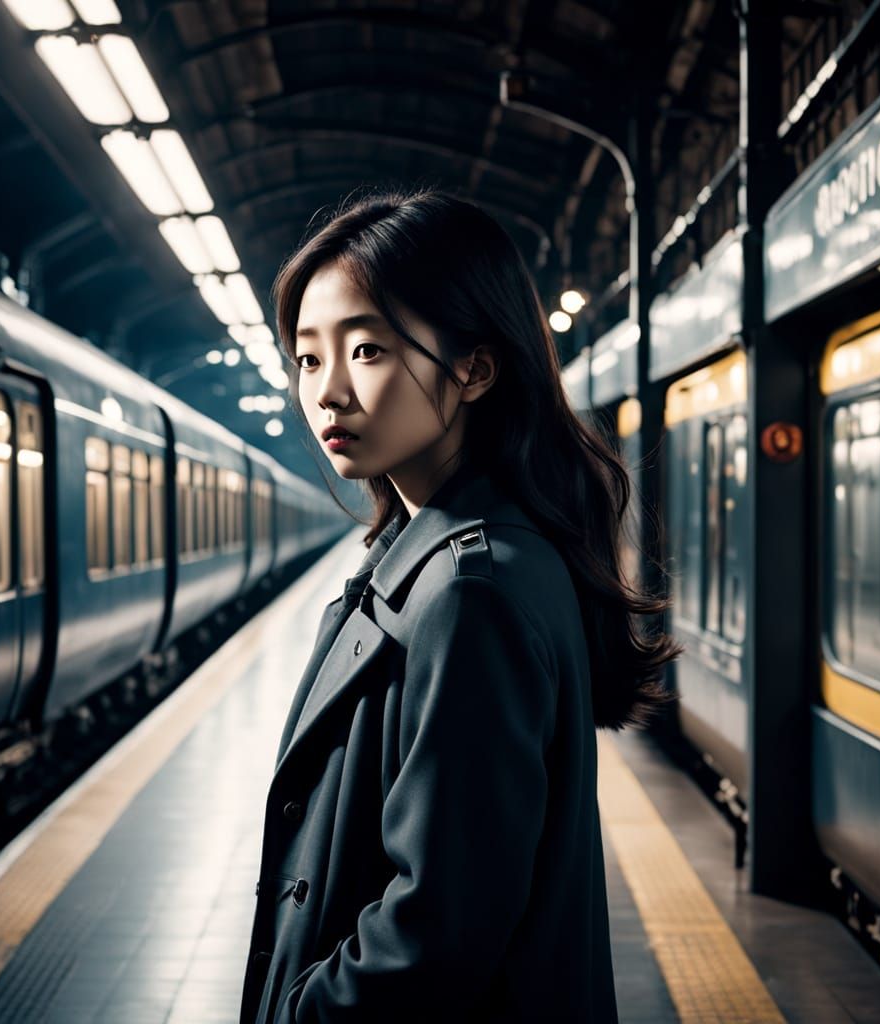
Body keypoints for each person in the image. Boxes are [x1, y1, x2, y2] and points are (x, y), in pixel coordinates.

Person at [239, 189, 681, 1023]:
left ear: (475, 367)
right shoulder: (460, 558)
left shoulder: (469, 592)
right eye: (307, 359)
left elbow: (434, 935)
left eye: (366, 350)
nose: (327, 392)